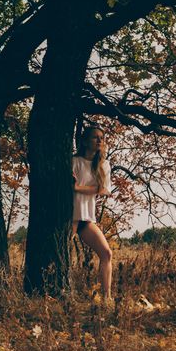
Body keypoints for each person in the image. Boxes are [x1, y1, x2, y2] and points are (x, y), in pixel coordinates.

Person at [72, 126, 113, 302]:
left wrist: (78, 188)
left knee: (107, 254)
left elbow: (104, 190)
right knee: (63, 255)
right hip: (69, 216)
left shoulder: (103, 165)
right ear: (84, 140)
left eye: (102, 138)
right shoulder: (74, 161)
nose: (99, 141)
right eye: (95, 137)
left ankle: (107, 299)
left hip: (86, 219)